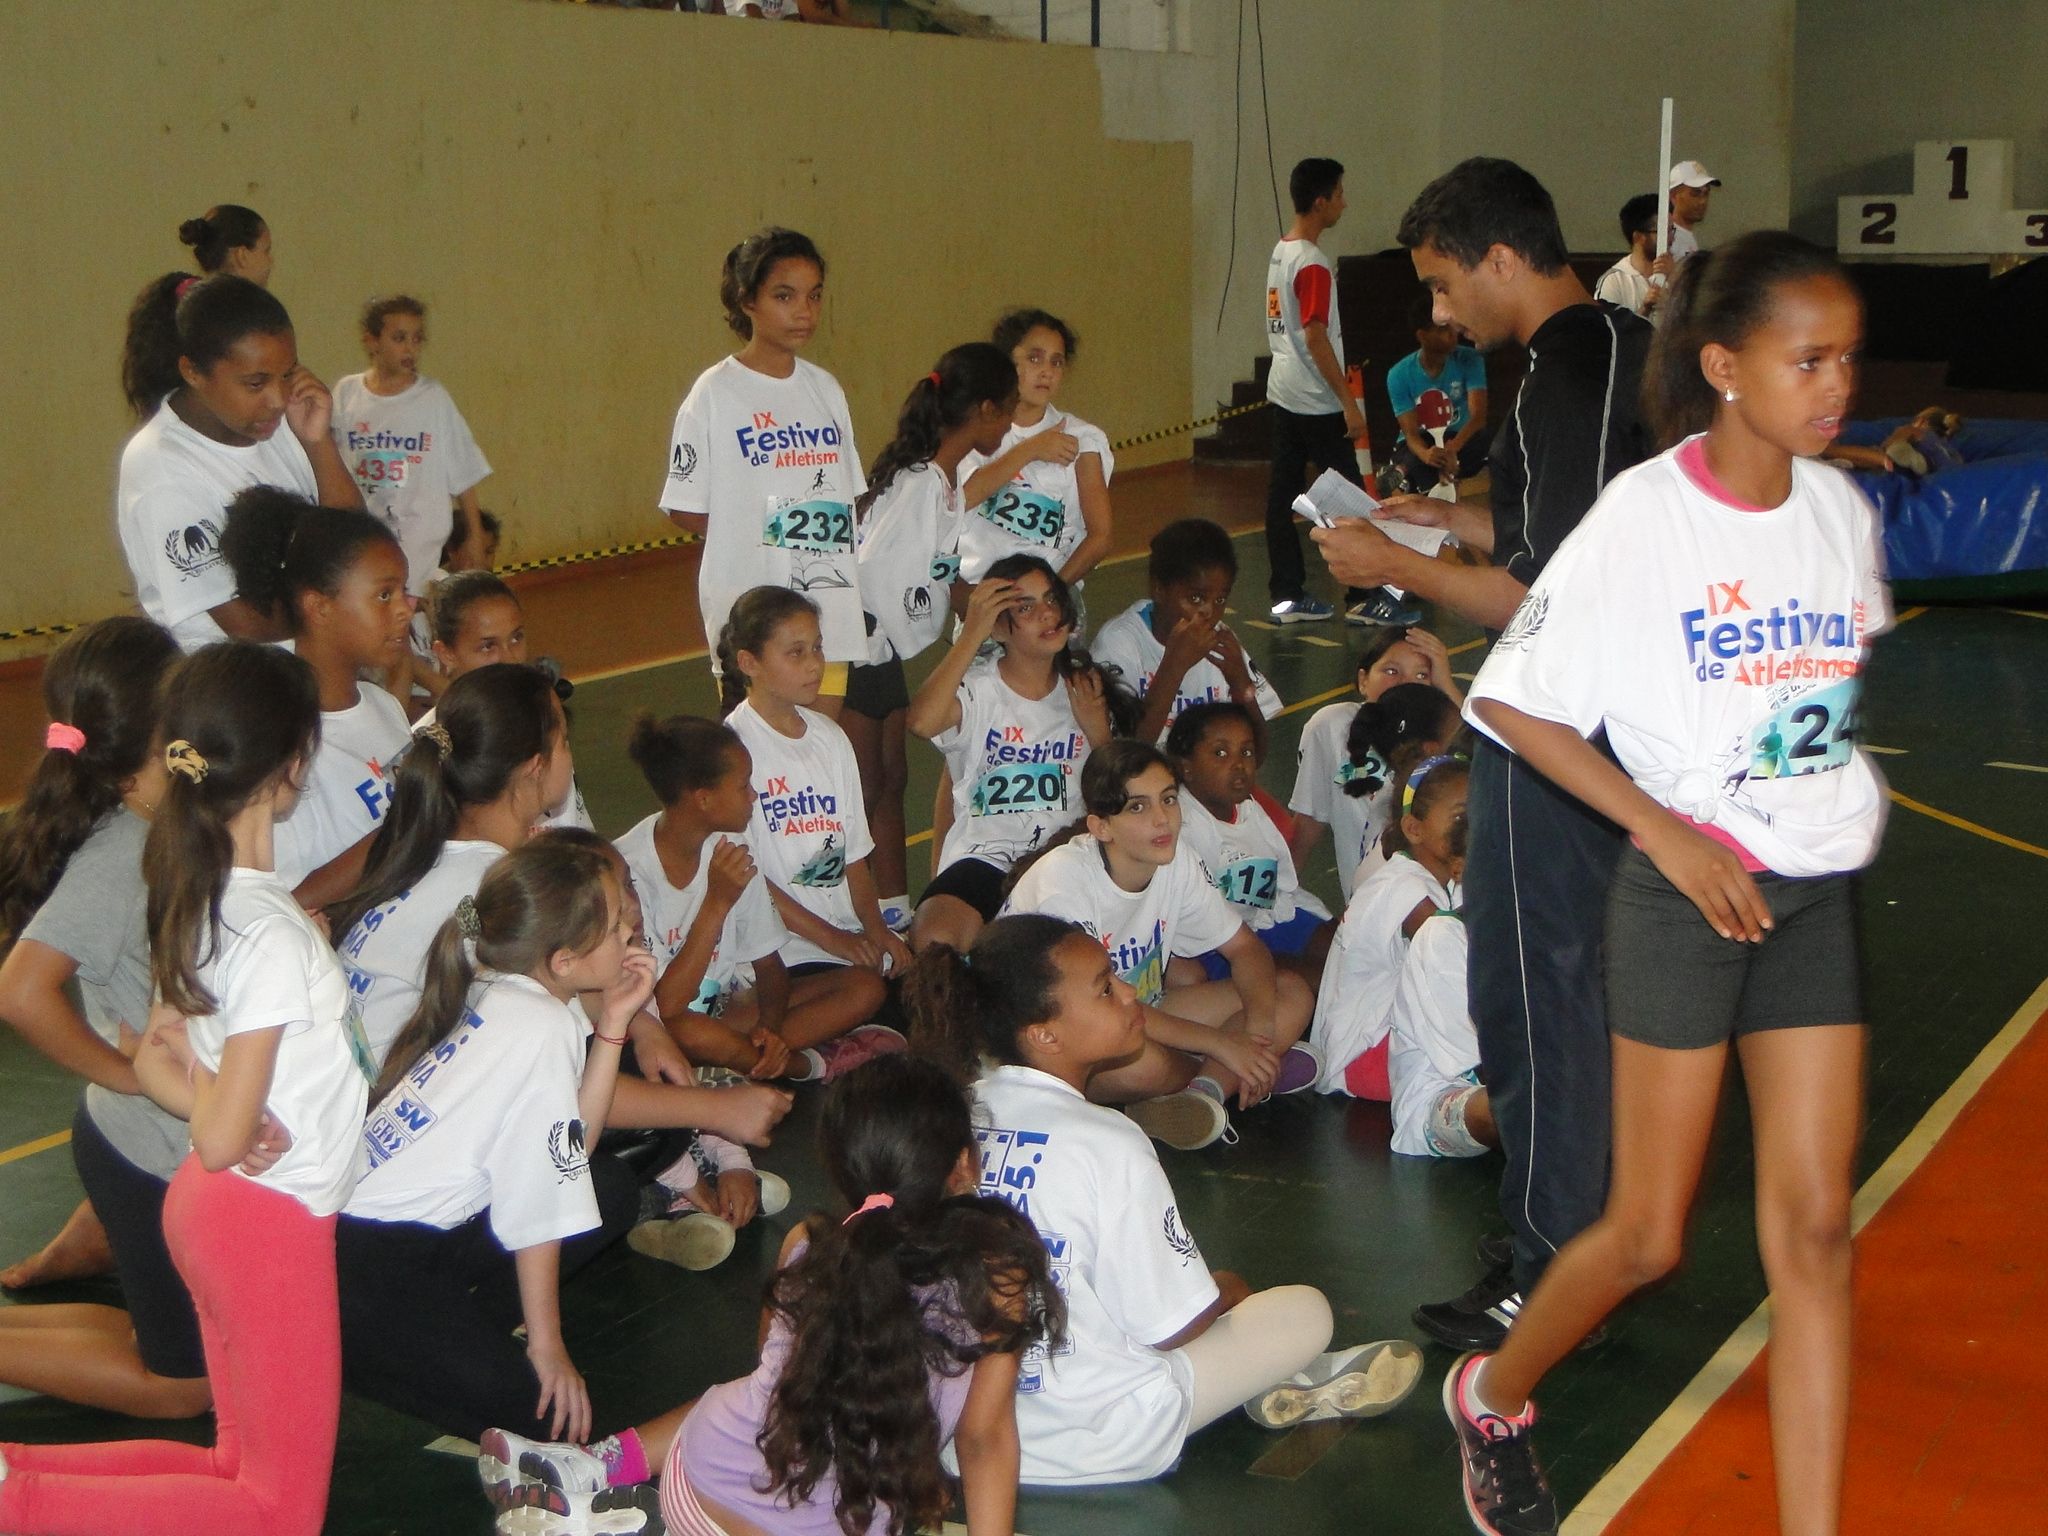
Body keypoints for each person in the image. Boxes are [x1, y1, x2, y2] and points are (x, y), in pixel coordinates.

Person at [1444, 230, 1885, 1536]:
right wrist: (1668, 832)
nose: (1836, 385)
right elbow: (1513, 701)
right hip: (1683, 902)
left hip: (1808, 898)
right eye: (1808, 360)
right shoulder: (1643, 519)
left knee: (1814, 1232)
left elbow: (1806, 711)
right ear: (1724, 367)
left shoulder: (1838, 514)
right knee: (1647, 1236)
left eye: (1847, 358)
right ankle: (1492, 1392)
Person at [1313, 157, 1653, 1348]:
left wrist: (1388, 568)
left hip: (1563, 734)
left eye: (1443, 283)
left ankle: (1554, 1270)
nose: (1439, 310)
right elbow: (1547, 533)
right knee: (1553, 990)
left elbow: (1543, 597)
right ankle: (1570, 1239)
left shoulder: (1570, 371)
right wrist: (1440, 520)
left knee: (1533, 995)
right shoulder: (1595, 354)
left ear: (1499, 258)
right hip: (1583, 728)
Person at [0, 642, 364, 1536]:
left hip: (215, 1209)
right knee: (280, 1513)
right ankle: (17, 1500)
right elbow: (217, 1131)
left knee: (238, 1464)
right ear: (293, 766)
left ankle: (18, 1474)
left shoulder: (196, 889)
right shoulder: (268, 931)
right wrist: (227, 1115)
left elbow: (156, 1057)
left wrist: (216, 1106)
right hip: (266, 1224)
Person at [909, 915, 1423, 1484]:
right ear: (1044, 1035)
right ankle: (1291, 1376)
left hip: (964, 1433)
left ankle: (1286, 1380)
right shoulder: (1109, 1140)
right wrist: (1224, 1293)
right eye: (1106, 989)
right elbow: (1172, 1330)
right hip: (1102, 1441)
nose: (1130, 993)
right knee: (1303, 1311)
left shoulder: (949, 1115)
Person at [476, 1054, 1050, 1536]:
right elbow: (983, 1438)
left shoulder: (809, 1245)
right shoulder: (999, 1275)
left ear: (841, 1167)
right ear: (963, 1163)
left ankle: (600, 1475)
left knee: (757, 1392)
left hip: (697, 1488)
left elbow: (770, 1380)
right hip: (825, 1523)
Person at [337, 839, 653, 1446]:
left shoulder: (501, 983)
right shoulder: (540, 1025)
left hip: (396, 1244)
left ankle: (442, 1345)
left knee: (608, 1189)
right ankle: (372, 1355)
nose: (630, 932)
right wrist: (548, 1346)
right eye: (616, 926)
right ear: (564, 961)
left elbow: (568, 1155)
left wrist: (613, 1026)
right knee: (554, 1424)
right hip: (370, 1267)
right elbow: (539, 1205)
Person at [0, 619, 212, 1417]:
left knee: (167, 1339)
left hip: (170, 1146)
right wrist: (129, 1076)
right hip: (144, 1153)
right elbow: (21, 991)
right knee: (188, 1388)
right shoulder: (123, 851)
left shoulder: (166, 810)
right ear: (161, 725)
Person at [1001, 743, 1319, 1152]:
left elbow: (1245, 948)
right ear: (1101, 827)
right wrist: (1223, 1044)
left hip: (1139, 1013)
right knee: (1147, 1065)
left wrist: (1257, 1034)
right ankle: (1230, 1077)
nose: (1162, 818)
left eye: (1168, 799)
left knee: (1290, 991)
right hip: (1059, 1040)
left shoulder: (1175, 859)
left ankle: (1204, 1092)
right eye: (1138, 807)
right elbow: (1096, 1012)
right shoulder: (1064, 883)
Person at [847, 344, 1018, 929]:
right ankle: (855, 919)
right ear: (986, 409)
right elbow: (870, 569)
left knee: (892, 779)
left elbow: (938, 574)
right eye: (1009, 410)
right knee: (863, 789)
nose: (1011, 424)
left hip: (885, 651)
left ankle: (894, 909)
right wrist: (934, 615)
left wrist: (990, 606)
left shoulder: (943, 482)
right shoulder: (920, 483)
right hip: (858, 651)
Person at [330, 662, 573, 1070]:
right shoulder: (503, 890)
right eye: (564, 741)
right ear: (535, 769)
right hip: (379, 1095)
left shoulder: (419, 848)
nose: (570, 753)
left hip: (344, 1082)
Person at [659, 228, 863, 713]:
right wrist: (757, 533)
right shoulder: (714, 394)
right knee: (757, 754)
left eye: (814, 296)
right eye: (784, 296)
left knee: (820, 746)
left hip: (828, 613)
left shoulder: (826, 390)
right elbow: (686, 508)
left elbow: (846, 497)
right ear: (747, 300)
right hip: (753, 617)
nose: (804, 311)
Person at [618, 715, 888, 1081]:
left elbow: (770, 966)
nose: (753, 796)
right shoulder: (629, 873)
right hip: (660, 1025)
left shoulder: (733, 847)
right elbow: (668, 1004)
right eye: (743, 785)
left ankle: (747, 1060)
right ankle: (806, 1066)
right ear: (704, 799)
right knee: (688, 1031)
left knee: (864, 987)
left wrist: (770, 1029)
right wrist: (717, 902)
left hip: (727, 1010)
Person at [116, 276, 364, 650]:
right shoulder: (161, 467)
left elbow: (356, 543)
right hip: (232, 677)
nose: (278, 399)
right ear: (193, 372)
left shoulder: (282, 421)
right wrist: (345, 607)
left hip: (312, 660)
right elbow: (246, 623)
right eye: (255, 383)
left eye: (287, 375)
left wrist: (318, 443)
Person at [905, 556, 1119, 956]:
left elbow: (1119, 793)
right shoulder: (979, 690)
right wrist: (972, 633)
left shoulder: (1084, 691)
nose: (1046, 613)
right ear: (999, 626)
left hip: (1065, 853)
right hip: (988, 857)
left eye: (1051, 599)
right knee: (936, 937)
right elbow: (920, 721)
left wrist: (1098, 733)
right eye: (1025, 607)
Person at [217, 487, 413, 908]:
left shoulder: (384, 706)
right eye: (384, 595)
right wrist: (411, 826)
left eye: (404, 591)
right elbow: (286, 904)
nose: (405, 609)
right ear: (318, 607)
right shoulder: (279, 742)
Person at [718, 586, 912, 980]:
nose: (814, 665)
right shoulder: (731, 751)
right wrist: (833, 940)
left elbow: (853, 856)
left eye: (818, 648)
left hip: (845, 934)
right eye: (796, 653)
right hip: (781, 948)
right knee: (863, 992)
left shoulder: (831, 738)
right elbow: (748, 876)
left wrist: (876, 930)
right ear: (749, 662)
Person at [1262, 156, 1405, 627]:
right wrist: (1348, 403)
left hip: (1284, 389)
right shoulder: (1313, 263)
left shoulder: (1281, 251)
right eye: (1340, 194)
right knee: (1347, 497)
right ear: (1321, 201)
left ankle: (1286, 594)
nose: (1345, 202)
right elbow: (1315, 336)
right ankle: (1365, 596)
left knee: (1283, 494)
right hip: (1315, 398)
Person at [1311, 746, 1468, 1099]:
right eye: (1461, 816)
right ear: (1414, 828)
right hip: (1364, 1056)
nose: (1473, 826)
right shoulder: (1404, 887)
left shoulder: (1442, 879)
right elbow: (1454, 951)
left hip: (1385, 1040)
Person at [1369, 756, 1496, 1157]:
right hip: (1443, 1097)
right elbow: (1480, 1064)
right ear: (1460, 868)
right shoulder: (1442, 935)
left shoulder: (1524, 933)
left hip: (1513, 1077)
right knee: (1515, 1106)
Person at [331, 294, 492, 601]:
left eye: (417, 339)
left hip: (419, 543)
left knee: (411, 611)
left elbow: (464, 471)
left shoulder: (433, 399)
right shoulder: (347, 394)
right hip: (365, 540)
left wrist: (474, 534)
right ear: (371, 341)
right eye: (399, 338)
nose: (410, 348)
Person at [1287, 630, 1463, 901]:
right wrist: (1283, 892)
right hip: (1366, 905)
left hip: (1435, 904)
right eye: (1392, 671)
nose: (1406, 684)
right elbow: (1309, 819)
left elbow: (1480, 750)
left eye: (1422, 675)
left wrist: (1448, 687)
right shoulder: (1331, 726)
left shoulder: (1441, 742)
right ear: (1363, 680)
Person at [957, 309, 1115, 611]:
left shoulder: (1083, 438)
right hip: (986, 600)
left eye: (1057, 362)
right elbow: (961, 499)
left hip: (1053, 598)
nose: (1047, 371)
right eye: (1034, 358)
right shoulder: (973, 429)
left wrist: (1051, 594)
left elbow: (1101, 536)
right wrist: (1030, 450)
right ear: (1005, 362)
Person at [411, 573, 593, 830]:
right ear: (446, 653)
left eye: (516, 638)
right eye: (488, 646)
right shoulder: (430, 748)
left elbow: (576, 828)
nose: (510, 659)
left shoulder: (543, 718)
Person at [1164, 702, 1331, 980]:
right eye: (1220, 753)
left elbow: (1275, 889)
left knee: (1344, 947)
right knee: (1316, 979)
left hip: (1264, 918)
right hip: (1216, 947)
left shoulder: (1247, 808)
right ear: (1186, 767)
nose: (1239, 764)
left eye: (1247, 752)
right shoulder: (1181, 827)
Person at [1091, 517, 1281, 748]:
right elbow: (1125, 754)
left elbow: (1256, 752)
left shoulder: (1221, 640)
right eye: (1196, 598)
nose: (1209, 612)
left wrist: (1242, 686)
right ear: (1159, 589)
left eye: (1220, 599)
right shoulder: (1118, 644)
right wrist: (1175, 666)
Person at [1385, 293, 1490, 495]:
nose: (1452, 334)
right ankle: (1406, 473)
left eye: (1452, 327)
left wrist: (1453, 448)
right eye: (1442, 330)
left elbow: (1478, 417)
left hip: (1461, 437)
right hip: (1424, 442)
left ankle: (1404, 473)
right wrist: (1426, 454)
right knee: (1420, 459)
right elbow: (1411, 433)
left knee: (1487, 443)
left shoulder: (1470, 359)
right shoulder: (1398, 374)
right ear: (1422, 336)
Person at [1594, 193, 1664, 319]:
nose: (1670, 238)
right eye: (1663, 232)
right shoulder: (1614, 280)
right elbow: (1609, 327)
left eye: (1672, 230)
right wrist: (1645, 309)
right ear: (1638, 237)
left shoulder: (1675, 272)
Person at [179, 205, 272, 285]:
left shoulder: (191, 299)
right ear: (242, 256)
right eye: (266, 251)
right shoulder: (251, 301)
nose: (271, 260)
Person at [1666, 159, 1720, 264]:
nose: (1703, 201)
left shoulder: (1685, 237)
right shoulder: (1668, 238)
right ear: (1673, 196)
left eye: (1706, 193)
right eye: (1695, 193)